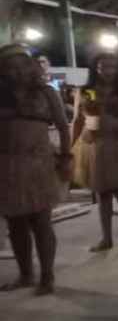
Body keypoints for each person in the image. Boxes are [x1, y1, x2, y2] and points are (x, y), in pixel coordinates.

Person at [0, 44, 70, 295]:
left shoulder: (46, 92)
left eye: (22, 65)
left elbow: (63, 127)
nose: (17, 71)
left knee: (41, 221)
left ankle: (47, 276)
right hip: (6, 165)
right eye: (11, 67)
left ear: (30, 66)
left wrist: (65, 157)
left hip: (38, 163)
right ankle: (26, 274)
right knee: (16, 223)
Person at [72, 53, 118, 252]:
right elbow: (79, 119)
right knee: (102, 193)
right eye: (104, 66)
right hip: (94, 145)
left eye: (112, 67)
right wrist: (70, 146)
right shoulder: (87, 91)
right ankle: (106, 238)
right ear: (96, 68)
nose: (108, 71)